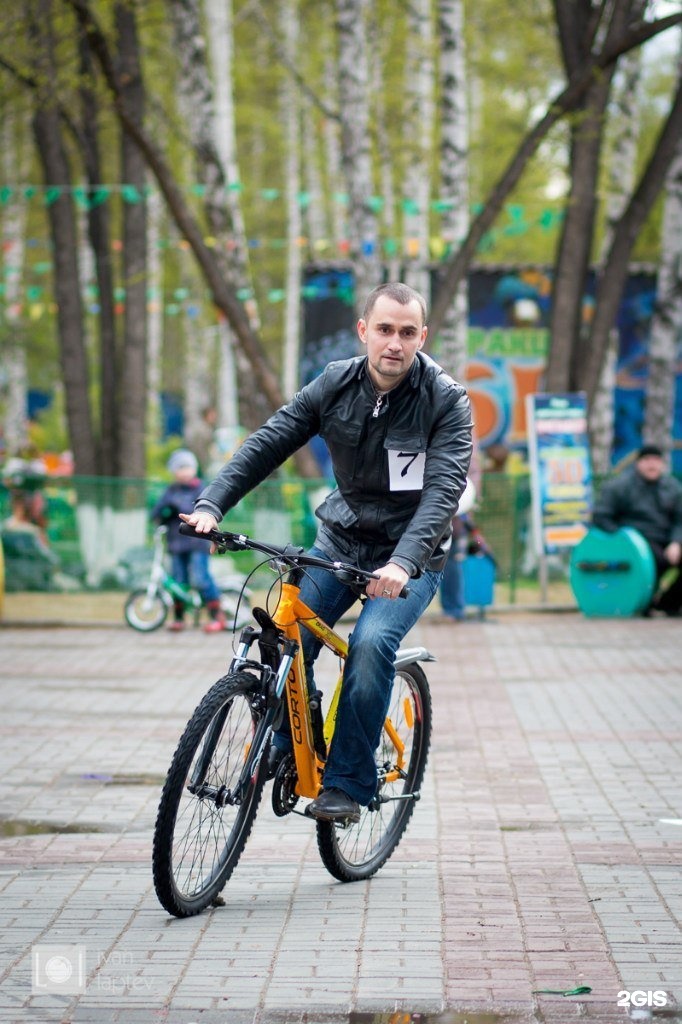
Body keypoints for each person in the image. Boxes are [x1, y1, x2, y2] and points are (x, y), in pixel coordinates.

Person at [182, 282, 473, 822]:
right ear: (364, 331)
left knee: (368, 646)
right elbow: (270, 440)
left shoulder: (446, 401)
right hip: (339, 542)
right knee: (280, 631)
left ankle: (347, 782)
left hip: (409, 558)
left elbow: (442, 495)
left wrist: (402, 563)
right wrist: (212, 505)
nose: (394, 343)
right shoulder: (335, 383)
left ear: (422, 338)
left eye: (407, 333)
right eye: (384, 329)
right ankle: (282, 740)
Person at [592, 443, 682, 617]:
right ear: (638, 463)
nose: (652, 465)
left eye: (656, 460)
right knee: (655, 559)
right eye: (647, 460)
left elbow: (680, 519)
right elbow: (601, 516)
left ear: (662, 464)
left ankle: (669, 602)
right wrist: (623, 539)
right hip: (637, 541)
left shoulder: (673, 487)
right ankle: (644, 602)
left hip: (667, 539)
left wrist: (677, 542)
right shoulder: (620, 487)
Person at [151, 449, 226, 633]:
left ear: (194, 469)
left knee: (200, 579)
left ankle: (217, 616)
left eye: (188, 467)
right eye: (180, 468)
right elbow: (156, 514)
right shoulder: (170, 491)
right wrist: (165, 512)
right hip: (176, 544)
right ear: (174, 471)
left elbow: (200, 510)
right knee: (179, 582)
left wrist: (177, 507)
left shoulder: (201, 489)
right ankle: (179, 618)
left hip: (197, 543)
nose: (184, 472)